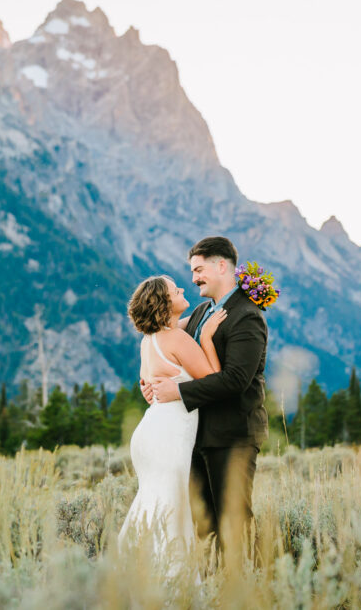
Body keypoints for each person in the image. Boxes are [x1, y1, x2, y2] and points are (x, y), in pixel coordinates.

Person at [142, 236, 268, 569]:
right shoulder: (200, 312)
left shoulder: (247, 316)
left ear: (221, 265)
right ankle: (215, 590)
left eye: (199, 270)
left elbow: (236, 380)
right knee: (205, 525)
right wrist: (152, 383)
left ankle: (245, 592)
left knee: (234, 520)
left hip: (232, 436)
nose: (194, 278)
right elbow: (161, 337)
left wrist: (178, 393)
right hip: (195, 436)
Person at [118, 274, 227, 575]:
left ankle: (138, 577)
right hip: (169, 435)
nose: (181, 288)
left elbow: (147, 383)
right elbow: (213, 380)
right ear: (163, 303)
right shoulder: (177, 339)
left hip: (150, 433)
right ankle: (171, 587)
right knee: (172, 510)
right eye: (173, 289)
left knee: (153, 505)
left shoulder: (149, 340)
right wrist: (205, 339)